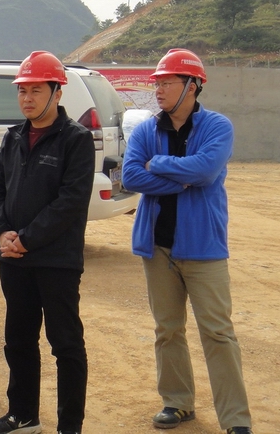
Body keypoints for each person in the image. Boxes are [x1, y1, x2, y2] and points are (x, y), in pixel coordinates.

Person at [121, 49, 253, 434]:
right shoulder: (146, 130)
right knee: (167, 329)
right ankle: (177, 403)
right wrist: (182, 179)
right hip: (157, 246)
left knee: (218, 332)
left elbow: (206, 170)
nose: (158, 90)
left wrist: (159, 165)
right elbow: (131, 177)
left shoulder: (217, 127)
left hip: (204, 248)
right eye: (157, 83)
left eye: (167, 82)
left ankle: (235, 419)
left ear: (192, 86)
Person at [0, 51, 95, 434]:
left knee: (66, 344)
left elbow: (70, 201)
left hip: (57, 260)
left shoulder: (76, 139)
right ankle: (23, 415)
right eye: (22, 91)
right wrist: (2, 232)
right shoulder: (13, 137)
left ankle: (70, 426)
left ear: (57, 92)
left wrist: (26, 239)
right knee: (18, 340)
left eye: (36, 90)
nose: (27, 98)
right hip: (14, 259)